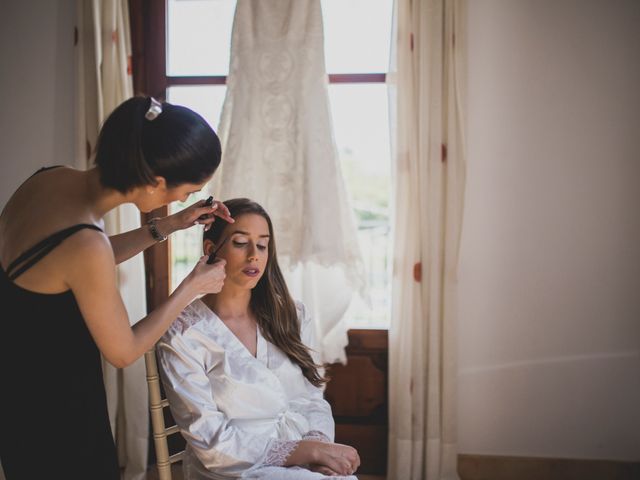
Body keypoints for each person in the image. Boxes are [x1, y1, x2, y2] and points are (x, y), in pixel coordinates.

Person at [0, 97, 231, 480]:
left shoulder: (50, 178)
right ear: (157, 182)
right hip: (56, 414)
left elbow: (73, 261)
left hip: (16, 392)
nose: (182, 199)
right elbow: (123, 351)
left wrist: (169, 225)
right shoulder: (85, 244)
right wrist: (191, 287)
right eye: (188, 191)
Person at [157, 198, 360, 480]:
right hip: (231, 469)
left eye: (262, 245)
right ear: (210, 249)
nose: (254, 255)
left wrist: (320, 451)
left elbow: (311, 399)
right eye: (241, 242)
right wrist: (305, 452)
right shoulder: (185, 333)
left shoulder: (292, 315)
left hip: (304, 461)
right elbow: (212, 443)